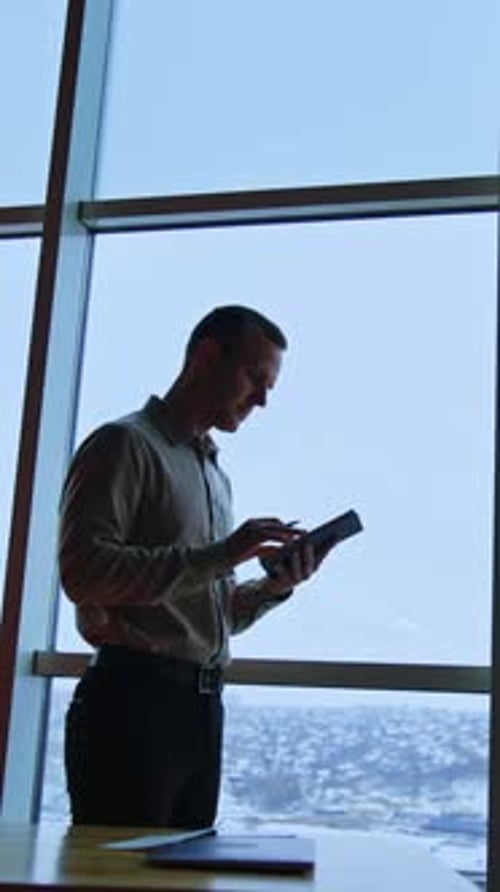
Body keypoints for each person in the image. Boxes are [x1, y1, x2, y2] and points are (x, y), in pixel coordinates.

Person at [59, 304, 324, 829]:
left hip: (200, 711)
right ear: (206, 356)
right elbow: (83, 572)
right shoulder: (124, 444)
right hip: (131, 706)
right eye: (255, 378)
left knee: (186, 868)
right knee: (121, 871)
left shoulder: (214, 475)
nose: (263, 400)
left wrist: (273, 588)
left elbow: (206, 611)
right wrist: (223, 554)